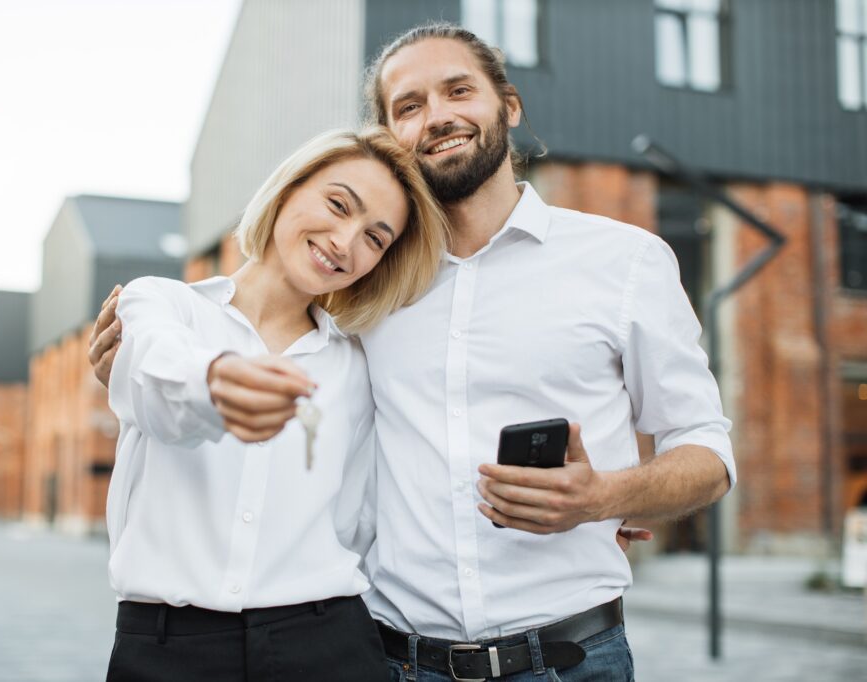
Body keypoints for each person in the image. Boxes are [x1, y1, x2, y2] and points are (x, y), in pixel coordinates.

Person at [90, 23, 735, 682]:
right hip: (396, 660)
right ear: (388, 136)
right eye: (409, 106)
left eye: (459, 90)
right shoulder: (367, 301)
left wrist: (604, 498)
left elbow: (706, 451)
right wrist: (164, 378)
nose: (438, 116)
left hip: (569, 659)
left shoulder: (624, 261)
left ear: (508, 105)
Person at [102, 126, 448, 682]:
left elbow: (361, 515)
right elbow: (153, 381)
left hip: (327, 644)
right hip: (168, 649)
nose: (344, 241)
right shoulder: (164, 303)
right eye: (338, 205)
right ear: (289, 188)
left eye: (374, 238)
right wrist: (218, 382)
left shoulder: (355, 366)